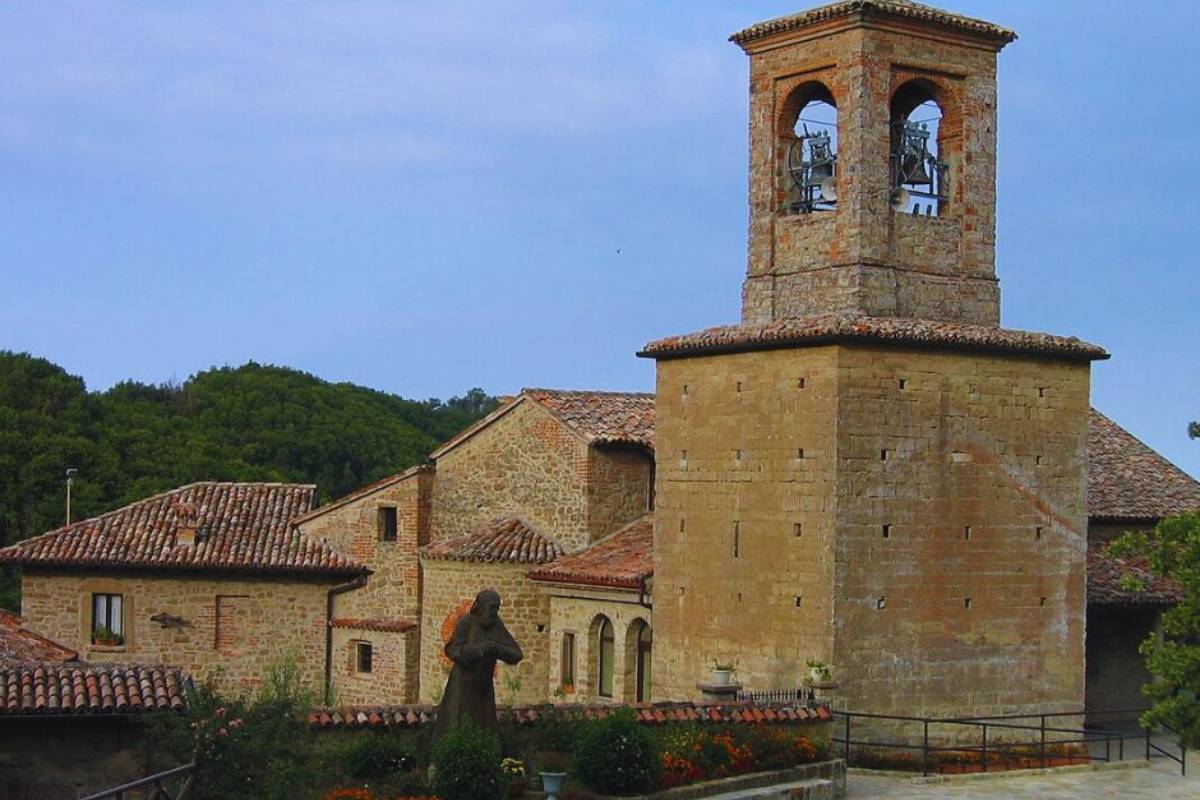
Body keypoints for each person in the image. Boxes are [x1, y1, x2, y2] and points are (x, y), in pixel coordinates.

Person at [432, 588, 523, 742]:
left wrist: (498, 649)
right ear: (480, 606)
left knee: (485, 729)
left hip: (484, 687)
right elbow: (452, 650)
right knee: (457, 725)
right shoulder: (466, 623)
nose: (494, 612)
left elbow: (516, 654)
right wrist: (477, 650)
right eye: (491, 607)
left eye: (497, 608)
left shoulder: (496, 625)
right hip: (462, 685)